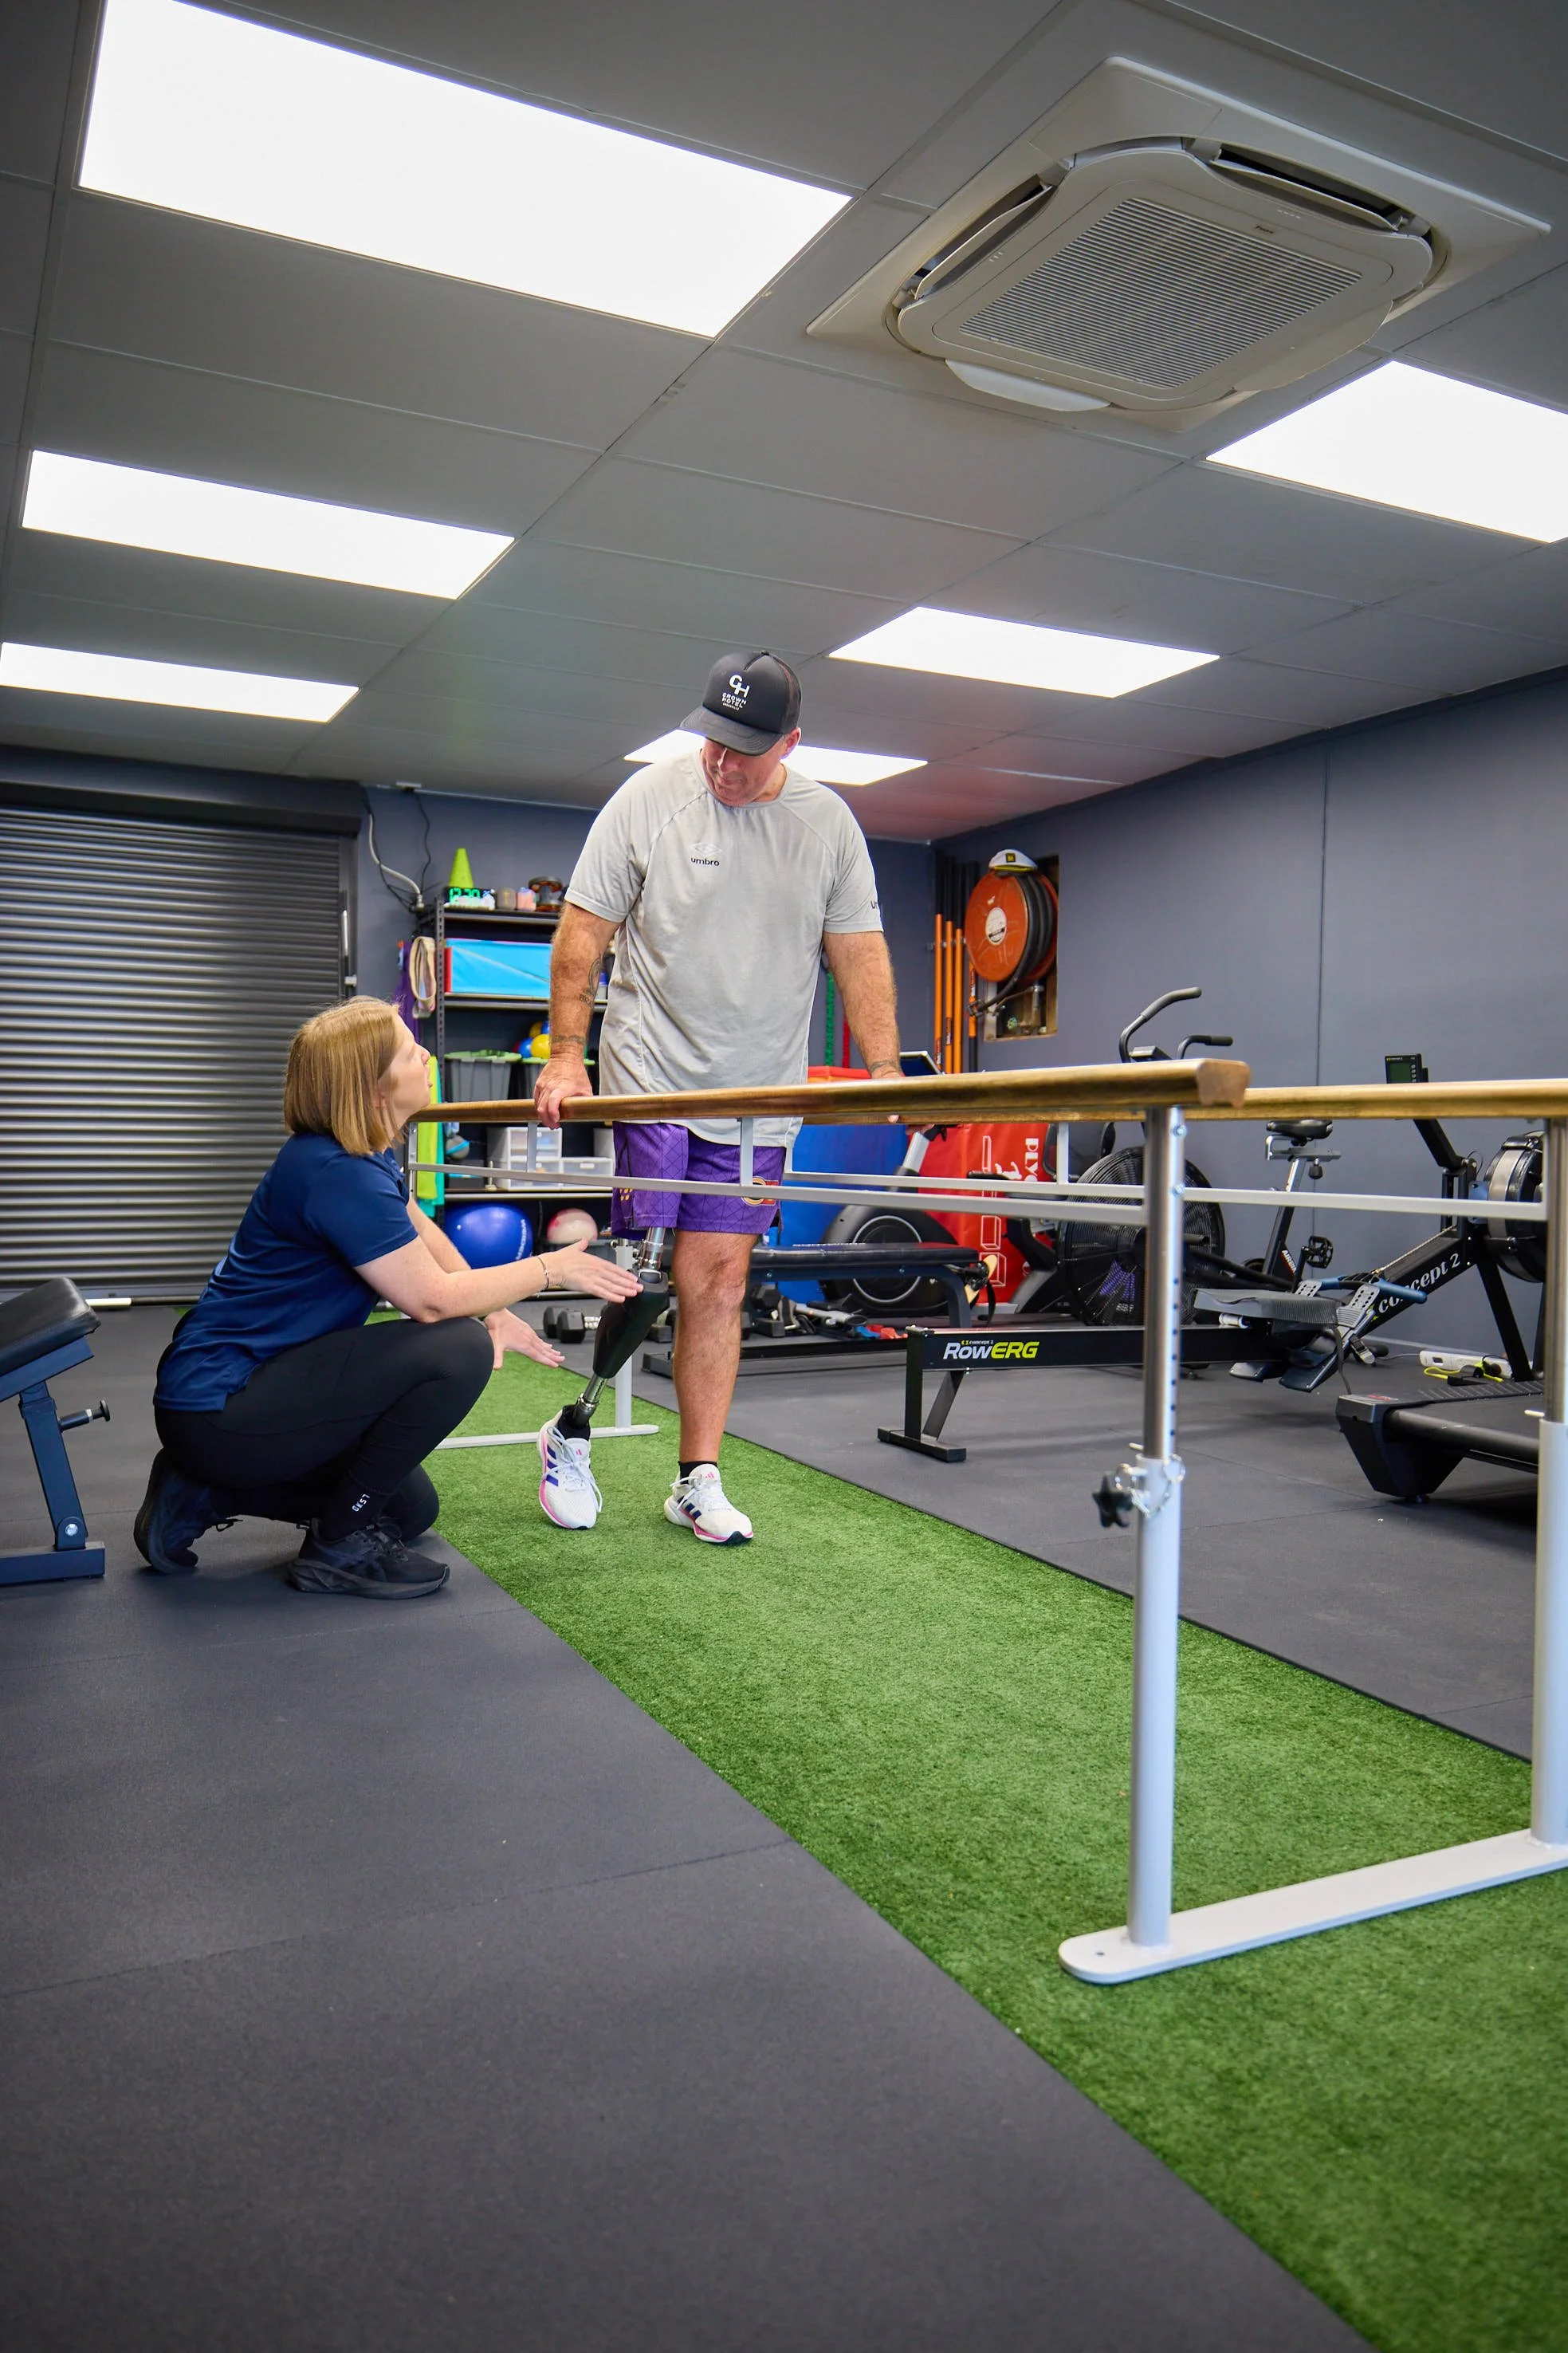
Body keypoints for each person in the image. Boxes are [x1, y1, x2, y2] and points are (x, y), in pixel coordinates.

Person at [532, 650, 900, 1543]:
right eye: (713, 741)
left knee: (721, 1281)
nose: (722, 763)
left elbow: (858, 952)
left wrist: (884, 1071)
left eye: (745, 749)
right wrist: (567, 1056)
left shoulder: (828, 827)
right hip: (652, 1070)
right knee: (648, 1261)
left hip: (757, 1094)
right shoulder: (648, 800)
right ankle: (570, 1432)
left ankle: (696, 1475)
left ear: (791, 743)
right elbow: (582, 933)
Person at [136, 997, 639, 1597]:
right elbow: (429, 1300)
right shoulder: (334, 1170)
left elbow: (422, 1233)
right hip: (222, 1404)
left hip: (249, 1394)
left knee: (407, 1510)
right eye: (408, 1050)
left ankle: (201, 1489)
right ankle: (335, 1548)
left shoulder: (360, 1154)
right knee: (457, 1347)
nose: (426, 1054)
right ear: (374, 1086)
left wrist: (496, 1309)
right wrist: (550, 1268)